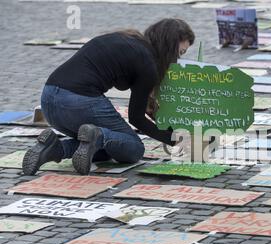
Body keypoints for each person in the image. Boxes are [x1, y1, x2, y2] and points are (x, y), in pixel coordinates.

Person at [22, 18, 195, 175]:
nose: (177, 61)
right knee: (133, 148)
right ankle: (97, 135)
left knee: (108, 147)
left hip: (48, 100)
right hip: (79, 101)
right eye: (179, 53)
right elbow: (136, 119)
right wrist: (173, 140)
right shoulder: (147, 64)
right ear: (168, 48)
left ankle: (54, 149)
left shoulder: (126, 38)